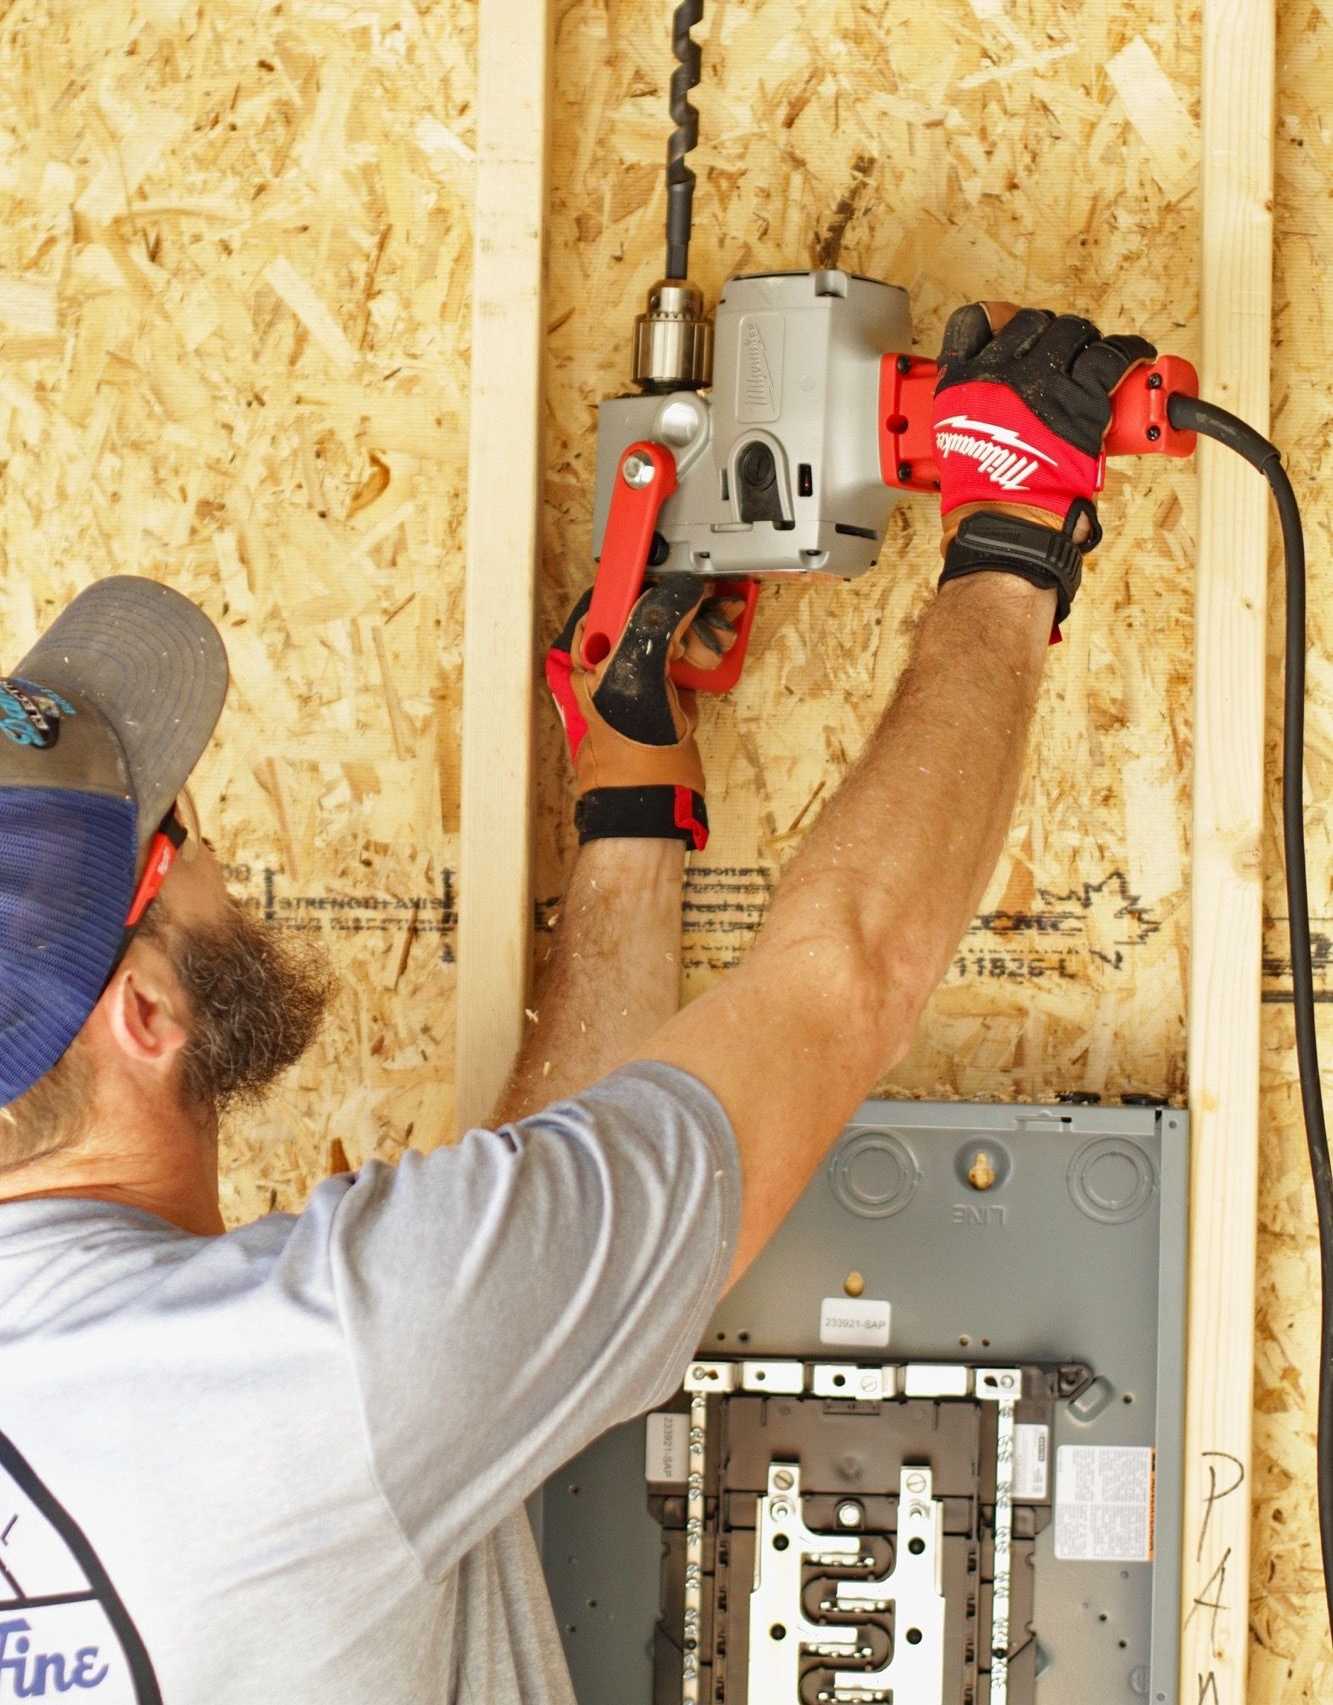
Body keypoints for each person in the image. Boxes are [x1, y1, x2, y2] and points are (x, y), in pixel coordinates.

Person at [0, 304, 1150, 1703]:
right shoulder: (316, 1364)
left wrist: (629, 810)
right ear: (145, 1015)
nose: (229, 862)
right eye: (182, 843)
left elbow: (512, 1276)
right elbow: (844, 979)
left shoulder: (312, 1376)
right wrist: (1016, 528)